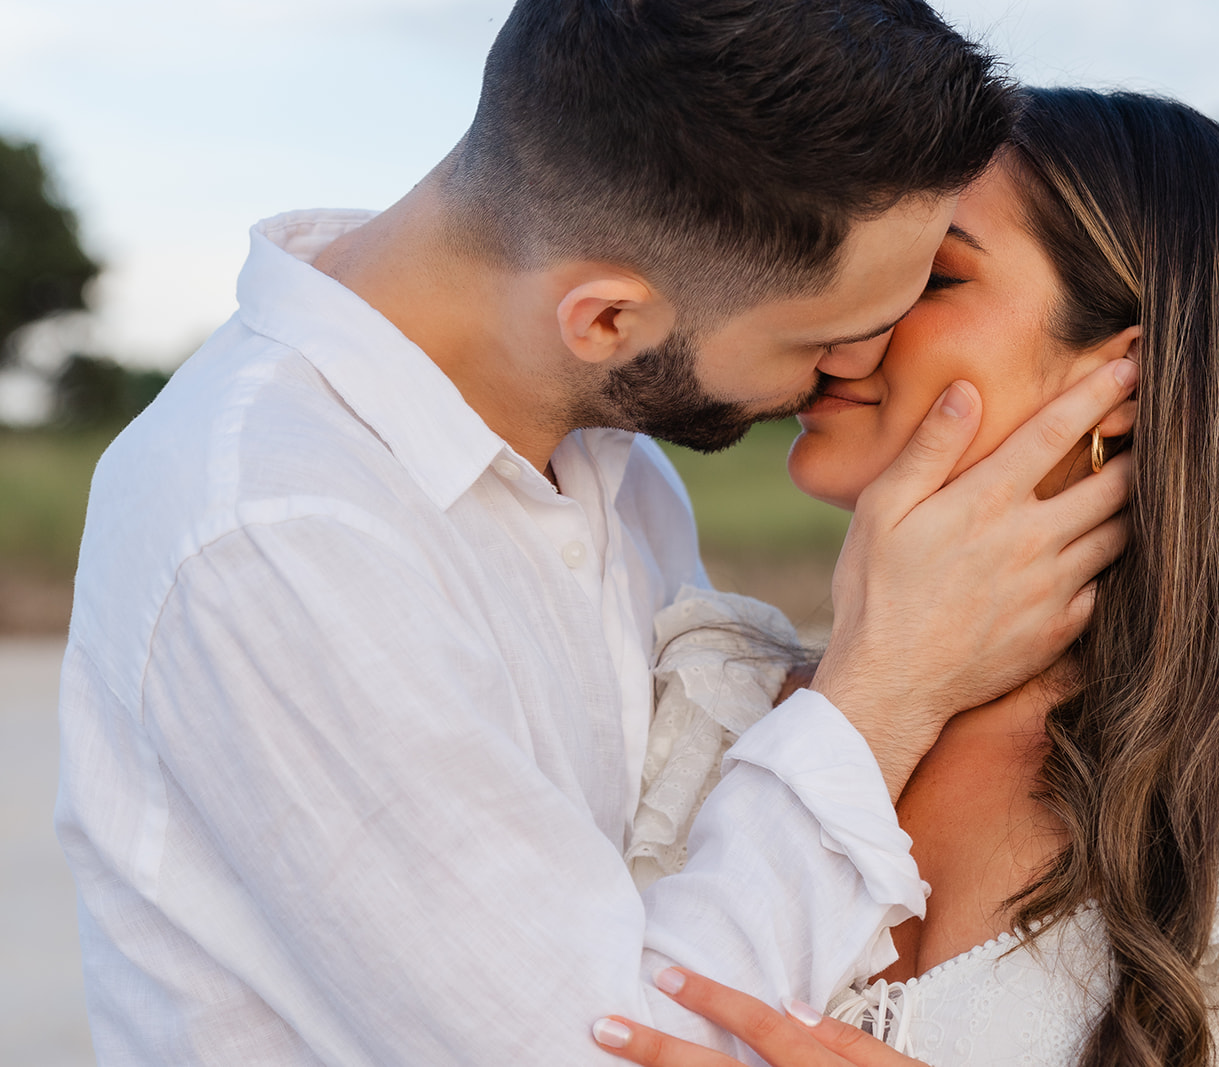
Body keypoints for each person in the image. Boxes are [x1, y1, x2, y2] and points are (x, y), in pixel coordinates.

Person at [53, 6, 1140, 1064]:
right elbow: (616, 1044)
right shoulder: (272, 531)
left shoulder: (610, 456)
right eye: (830, 337)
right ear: (607, 318)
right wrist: (887, 684)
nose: (860, 364)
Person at [590, 89, 1219, 1065]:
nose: (840, 317)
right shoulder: (694, 713)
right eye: (849, 260)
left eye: (929, 275)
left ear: (1121, 377)